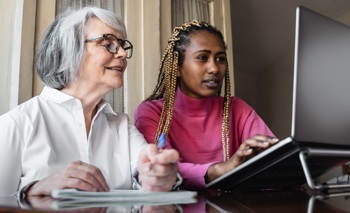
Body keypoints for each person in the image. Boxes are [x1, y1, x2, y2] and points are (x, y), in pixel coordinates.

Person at [0, 6, 180, 197]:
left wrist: (158, 176)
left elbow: (149, 178)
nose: (123, 54)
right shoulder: (15, 124)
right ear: (69, 51)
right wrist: (31, 192)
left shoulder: (122, 127)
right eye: (109, 44)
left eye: (121, 45)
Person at [134, 20, 278, 190]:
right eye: (202, 58)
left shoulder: (236, 108)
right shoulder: (152, 112)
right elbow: (162, 168)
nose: (214, 68)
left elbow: (275, 162)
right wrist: (222, 168)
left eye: (221, 59)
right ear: (177, 67)